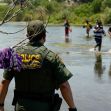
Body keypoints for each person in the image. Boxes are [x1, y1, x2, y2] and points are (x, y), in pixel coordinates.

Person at [0, 20, 77, 111]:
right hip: (44, 107)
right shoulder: (51, 57)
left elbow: (5, 82)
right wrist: (72, 108)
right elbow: (64, 86)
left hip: (21, 107)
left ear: (28, 36)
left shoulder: (14, 55)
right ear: (44, 36)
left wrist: (1, 105)